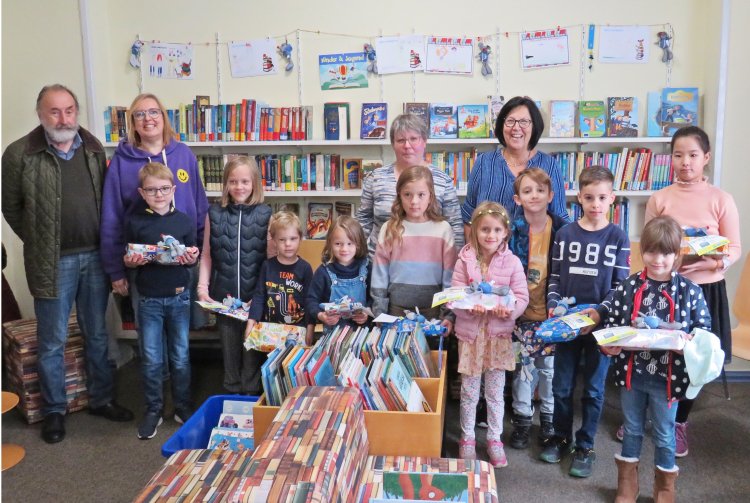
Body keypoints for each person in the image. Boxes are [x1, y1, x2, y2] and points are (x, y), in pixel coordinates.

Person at [1, 84, 134, 444]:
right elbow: (11, 208)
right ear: (41, 114)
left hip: (95, 257)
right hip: (52, 262)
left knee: (96, 333)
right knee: (52, 340)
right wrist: (39, 239)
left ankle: (102, 399)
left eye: (70, 110)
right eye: (55, 111)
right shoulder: (19, 155)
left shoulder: (93, 149)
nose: (64, 118)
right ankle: (54, 411)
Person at [645, 126, 741, 457]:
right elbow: (650, 244)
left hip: (706, 289)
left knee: (693, 359)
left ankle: (678, 422)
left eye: (693, 155)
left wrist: (708, 266)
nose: (685, 162)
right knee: (659, 354)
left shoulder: (721, 199)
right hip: (666, 290)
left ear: (706, 158)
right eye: (678, 155)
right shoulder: (660, 198)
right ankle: (653, 413)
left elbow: (735, 248)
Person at [602, 216, 711, 503]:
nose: (658, 259)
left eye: (666, 252)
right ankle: (627, 485)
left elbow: (704, 334)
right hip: (632, 376)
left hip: (669, 380)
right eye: (651, 251)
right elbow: (612, 325)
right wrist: (609, 346)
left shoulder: (690, 292)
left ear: (677, 254)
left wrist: (687, 345)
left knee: (664, 434)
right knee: (633, 429)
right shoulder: (627, 287)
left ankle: (664, 489)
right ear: (643, 252)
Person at [100, 93, 208, 375]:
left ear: (164, 117)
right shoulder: (121, 162)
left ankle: (180, 396)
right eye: (139, 114)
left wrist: (202, 255)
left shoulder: (183, 154)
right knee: (151, 340)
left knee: (181, 335)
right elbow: (111, 217)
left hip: (183, 263)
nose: (148, 118)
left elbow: (200, 205)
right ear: (132, 123)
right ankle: (155, 397)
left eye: (154, 112)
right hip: (143, 270)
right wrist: (116, 270)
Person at [540, 166, 630, 478]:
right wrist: (553, 304)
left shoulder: (618, 237)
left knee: (593, 389)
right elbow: (553, 277)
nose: (595, 203)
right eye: (589, 197)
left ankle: (586, 444)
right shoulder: (564, 234)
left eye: (602, 197)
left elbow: (621, 287)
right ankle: (561, 436)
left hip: (600, 327)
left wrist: (599, 313)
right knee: (561, 386)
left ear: (612, 199)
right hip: (567, 326)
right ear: (579, 197)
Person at [124, 162, 199, 439]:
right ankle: (153, 409)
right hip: (149, 300)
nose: (159, 194)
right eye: (152, 190)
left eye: (164, 189)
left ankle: (183, 406)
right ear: (142, 193)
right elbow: (131, 260)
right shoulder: (135, 221)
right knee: (152, 359)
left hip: (179, 297)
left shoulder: (184, 221)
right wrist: (129, 262)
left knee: (180, 357)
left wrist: (192, 259)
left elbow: (192, 257)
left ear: (173, 190)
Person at [451, 201, 529, 467]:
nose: (490, 235)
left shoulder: (512, 262)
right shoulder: (465, 259)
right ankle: (468, 438)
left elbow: (521, 297)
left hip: (498, 338)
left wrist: (510, 312)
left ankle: (495, 439)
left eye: (497, 230)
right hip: (471, 339)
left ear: (506, 232)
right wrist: (467, 307)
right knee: (470, 392)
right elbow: (454, 297)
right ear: (474, 230)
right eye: (485, 229)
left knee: (495, 393)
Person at [197, 156, 271, 395]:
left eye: (245, 181)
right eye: (233, 181)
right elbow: (206, 254)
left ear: (255, 184)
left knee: (252, 357)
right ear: (225, 183)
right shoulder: (215, 213)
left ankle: (251, 401)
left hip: (254, 301)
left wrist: (262, 295)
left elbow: (270, 262)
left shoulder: (265, 214)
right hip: (223, 300)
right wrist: (202, 290)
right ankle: (230, 401)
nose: (239, 187)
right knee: (229, 356)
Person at [508, 168, 569, 449]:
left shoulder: (562, 230)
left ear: (550, 195)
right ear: (518, 198)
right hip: (521, 317)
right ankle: (521, 418)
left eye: (540, 190)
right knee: (523, 370)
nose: (535, 196)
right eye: (528, 191)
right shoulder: (511, 230)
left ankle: (548, 418)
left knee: (549, 371)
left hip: (552, 317)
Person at [462, 96, 570, 244]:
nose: (516, 127)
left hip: (536, 257)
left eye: (524, 122)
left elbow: (560, 217)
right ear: (502, 125)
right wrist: (475, 259)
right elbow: (469, 217)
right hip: (489, 259)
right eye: (510, 121)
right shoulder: (483, 163)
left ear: (534, 126)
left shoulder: (549, 165)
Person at [356, 114, 464, 259]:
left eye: (414, 139)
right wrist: (357, 261)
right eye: (401, 140)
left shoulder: (443, 180)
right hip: (378, 265)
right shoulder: (376, 178)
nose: (407, 145)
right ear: (393, 144)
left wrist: (456, 266)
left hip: (429, 266)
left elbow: (455, 226)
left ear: (424, 141)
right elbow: (363, 222)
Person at [371, 166, 458, 338]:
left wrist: (448, 315)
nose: (414, 201)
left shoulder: (443, 230)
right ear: (399, 196)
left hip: (432, 317)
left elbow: (450, 279)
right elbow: (379, 275)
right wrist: (379, 310)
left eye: (421, 195)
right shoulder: (389, 229)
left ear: (430, 197)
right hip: (394, 314)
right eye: (407, 194)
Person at [244, 211, 314, 345]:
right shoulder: (267, 266)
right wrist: (251, 322)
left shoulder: (305, 268)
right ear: (274, 241)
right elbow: (259, 296)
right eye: (282, 239)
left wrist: (310, 328)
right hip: (269, 331)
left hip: (297, 330)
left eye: (293, 238)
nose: (288, 244)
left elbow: (310, 300)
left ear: (300, 239)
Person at [306, 216, 373, 340]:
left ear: (358, 244)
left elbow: (374, 297)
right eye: (338, 244)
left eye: (350, 243)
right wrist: (321, 316)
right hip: (333, 337)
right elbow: (311, 301)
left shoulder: (367, 268)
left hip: (362, 335)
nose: (344, 249)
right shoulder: (323, 272)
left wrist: (367, 312)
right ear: (330, 243)